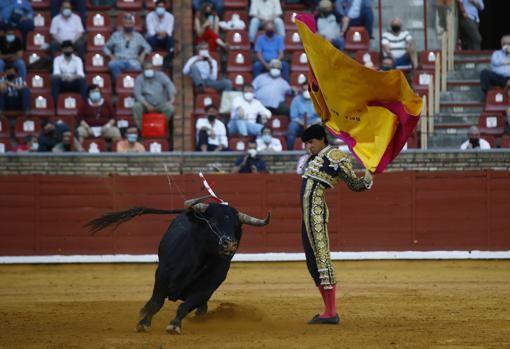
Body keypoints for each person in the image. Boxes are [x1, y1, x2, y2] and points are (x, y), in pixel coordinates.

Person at [299, 124, 372, 324]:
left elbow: (355, 185)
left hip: (316, 214)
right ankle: (327, 310)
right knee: (312, 263)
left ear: (323, 138)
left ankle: (331, 312)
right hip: (307, 216)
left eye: (311, 142)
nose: (308, 147)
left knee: (321, 259)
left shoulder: (337, 156)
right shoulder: (314, 158)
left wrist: (369, 173)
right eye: (306, 143)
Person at [104, 13, 152, 81]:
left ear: (133, 24)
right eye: (126, 23)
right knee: (111, 64)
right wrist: (111, 56)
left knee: (140, 68)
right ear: (123, 24)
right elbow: (105, 47)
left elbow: (148, 47)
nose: (128, 25)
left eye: (130, 23)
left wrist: (143, 54)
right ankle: (120, 82)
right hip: (119, 60)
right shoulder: (116, 35)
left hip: (133, 61)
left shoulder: (138, 36)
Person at [133, 61, 176, 129]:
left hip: (160, 104)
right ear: (143, 70)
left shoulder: (160, 75)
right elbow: (137, 94)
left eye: (151, 68)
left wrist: (172, 97)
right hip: (146, 104)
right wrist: (146, 104)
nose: (149, 70)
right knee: (136, 107)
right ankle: (141, 129)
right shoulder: (139, 78)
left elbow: (169, 84)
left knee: (170, 108)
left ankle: (161, 126)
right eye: (147, 69)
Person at [287, 82, 322, 150]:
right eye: (304, 89)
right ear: (302, 89)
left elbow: (320, 116)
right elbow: (294, 117)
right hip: (300, 124)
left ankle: (323, 150)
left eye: (308, 90)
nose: (306, 91)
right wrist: (305, 124)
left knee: (323, 126)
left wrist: (312, 124)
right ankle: (290, 150)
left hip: (314, 123)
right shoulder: (296, 100)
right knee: (292, 127)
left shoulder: (317, 100)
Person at [51, 40, 87, 104]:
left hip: (74, 82)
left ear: (72, 49)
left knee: (82, 81)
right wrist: (64, 77)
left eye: (69, 48)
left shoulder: (78, 59)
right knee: (55, 81)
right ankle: (55, 104)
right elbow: (56, 73)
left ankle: (84, 103)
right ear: (62, 50)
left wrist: (72, 78)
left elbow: (81, 74)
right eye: (66, 49)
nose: (68, 50)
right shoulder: (57, 59)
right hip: (62, 82)